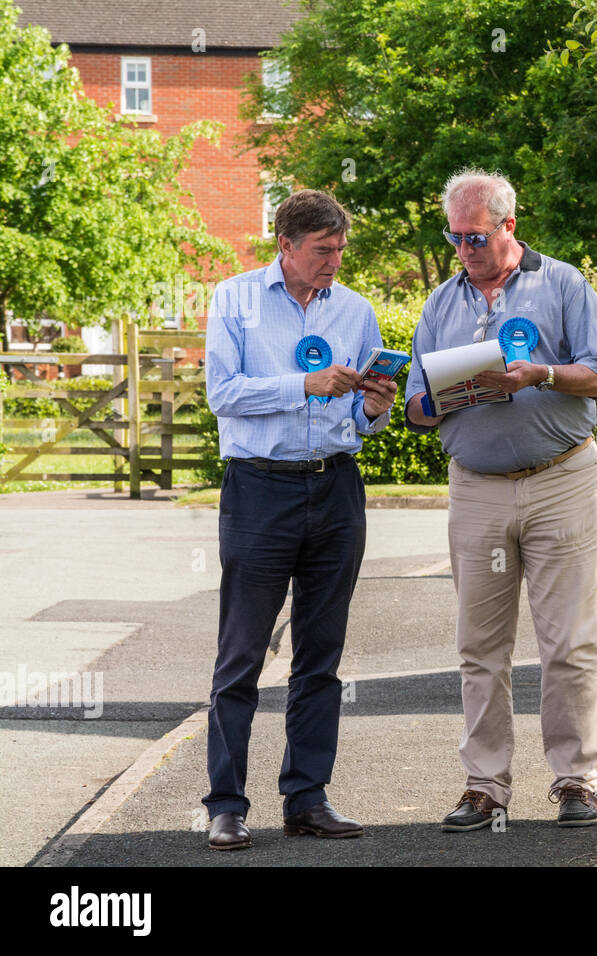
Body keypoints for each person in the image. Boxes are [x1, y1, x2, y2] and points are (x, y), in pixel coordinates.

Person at [404, 168, 597, 830]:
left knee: (569, 641)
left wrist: (542, 374)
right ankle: (484, 784)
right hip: (475, 488)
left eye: (474, 236)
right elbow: (416, 408)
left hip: (559, 479)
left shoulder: (563, 285)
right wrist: (449, 393)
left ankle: (576, 779)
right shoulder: (440, 304)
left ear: (509, 227)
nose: (463, 249)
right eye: (454, 236)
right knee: (480, 645)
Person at [202, 189, 397, 850]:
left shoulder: (357, 310)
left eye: (340, 249)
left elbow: (366, 422)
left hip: (336, 489)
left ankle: (307, 798)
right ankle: (226, 804)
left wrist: (375, 407)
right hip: (259, 491)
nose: (334, 261)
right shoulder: (233, 300)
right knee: (242, 655)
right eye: (322, 250)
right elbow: (222, 393)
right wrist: (301, 386)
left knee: (322, 657)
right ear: (284, 245)